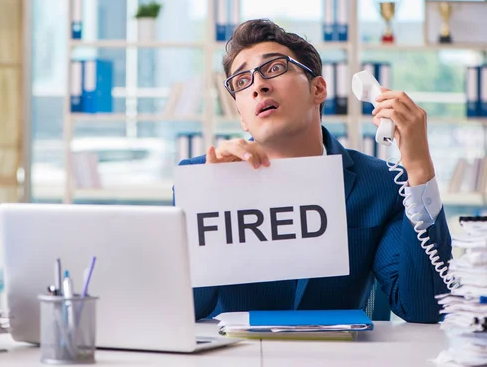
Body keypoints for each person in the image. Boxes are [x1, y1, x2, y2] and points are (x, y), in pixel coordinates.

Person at [176, 18, 452, 324]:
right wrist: (210, 201)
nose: (258, 86)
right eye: (242, 82)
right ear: (242, 117)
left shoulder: (381, 183)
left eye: (275, 68)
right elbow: (185, 310)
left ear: (318, 89)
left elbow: (423, 307)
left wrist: (419, 168)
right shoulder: (199, 179)